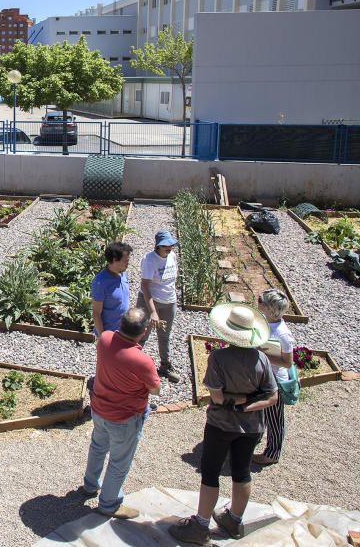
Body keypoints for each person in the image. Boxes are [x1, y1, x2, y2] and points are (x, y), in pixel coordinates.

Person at [169, 303, 279, 545]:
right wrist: (248, 404)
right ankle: (234, 519)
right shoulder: (261, 358)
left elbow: (218, 397)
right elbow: (272, 396)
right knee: (242, 472)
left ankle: (200, 526)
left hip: (221, 424)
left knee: (210, 473)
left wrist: (236, 403)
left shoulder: (218, 358)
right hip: (251, 428)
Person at [80, 307, 161, 519]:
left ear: (120, 324)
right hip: (125, 418)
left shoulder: (105, 339)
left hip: (99, 409)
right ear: (143, 332)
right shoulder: (143, 361)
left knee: (98, 447)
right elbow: (155, 390)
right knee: (119, 462)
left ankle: (90, 485)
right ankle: (109, 504)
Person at [254, 289, 295, 466]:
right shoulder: (266, 323)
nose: (257, 301)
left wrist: (261, 354)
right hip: (263, 376)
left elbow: (287, 362)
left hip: (275, 380)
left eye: (260, 300)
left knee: (274, 417)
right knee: (262, 413)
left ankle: (272, 453)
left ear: (268, 307)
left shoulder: (282, 333)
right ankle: (256, 440)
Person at [138, 230, 180, 383]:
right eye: (165, 245)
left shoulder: (172, 256)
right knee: (142, 334)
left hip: (169, 302)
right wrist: (153, 312)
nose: (169, 247)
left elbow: (173, 278)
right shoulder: (149, 260)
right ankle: (133, 365)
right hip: (151, 301)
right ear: (157, 246)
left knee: (165, 335)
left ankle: (165, 365)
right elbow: (145, 287)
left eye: (171, 244)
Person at [91, 242, 133, 336]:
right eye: (125, 261)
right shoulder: (100, 282)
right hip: (110, 334)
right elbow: (96, 313)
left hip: (124, 331)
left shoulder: (123, 274)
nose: (128, 264)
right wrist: (103, 337)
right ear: (114, 260)